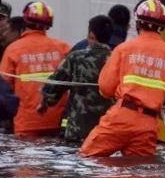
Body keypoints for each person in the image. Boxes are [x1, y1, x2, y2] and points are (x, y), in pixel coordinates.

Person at [80, 0, 165, 158]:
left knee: (88, 160)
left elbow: (105, 88)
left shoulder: (123, 49)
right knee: (140, 177)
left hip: (121, 117)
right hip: (148, 124)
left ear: (138, 22)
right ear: (163, 26)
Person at [0, 1, 71, 136]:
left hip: (26, 124)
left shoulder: (13, 50)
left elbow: (3, 87)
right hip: (57, 122)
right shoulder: (63, 48)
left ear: (25, 21)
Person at [39, 15, 115, 144]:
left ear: (91, 34)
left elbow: (54, 86)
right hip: (107, 131)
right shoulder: (116, 60)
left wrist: (46, 101)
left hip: (78, 130)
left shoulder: (76, 57)